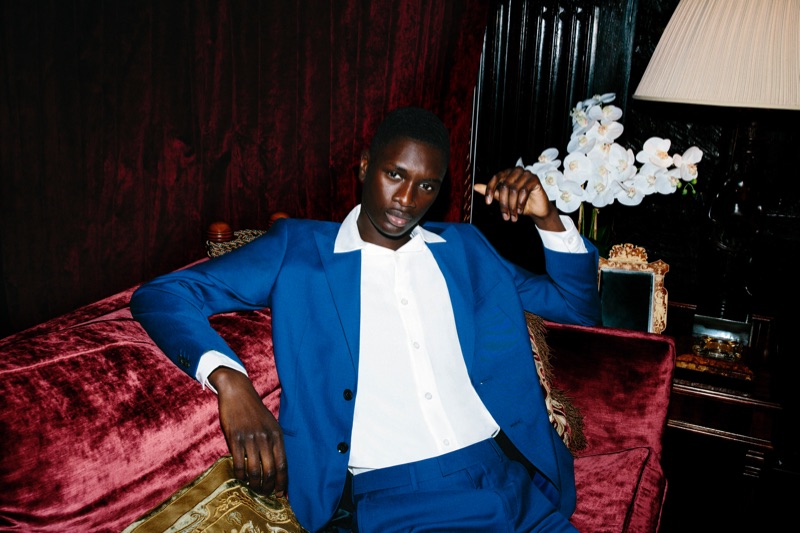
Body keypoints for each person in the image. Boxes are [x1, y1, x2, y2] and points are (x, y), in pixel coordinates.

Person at [131, 106, 601, 532]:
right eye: (395, 174)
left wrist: (548, 218)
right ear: (363, 166)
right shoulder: (299, 249)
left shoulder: (466, 249)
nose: (407, 199)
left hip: (514, 484)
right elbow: (164, 294)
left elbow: (579, 311)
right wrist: (230, 381)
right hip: (401, 500)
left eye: (427, 186)